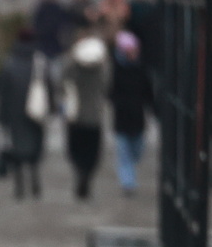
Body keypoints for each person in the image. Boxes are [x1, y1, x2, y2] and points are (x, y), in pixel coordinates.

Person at [0, 28, 50, 199]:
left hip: (14, 114)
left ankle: (19, 186)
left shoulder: (10, 64)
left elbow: (2, 93)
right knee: (34, 149)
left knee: (16, 149)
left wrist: (1, 117)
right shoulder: (40, 63)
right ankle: (35, 182)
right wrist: (50, 109)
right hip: (36, 113)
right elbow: (49, 88)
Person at [60, 32, 110, 199]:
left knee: (75, 151)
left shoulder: (72, 68)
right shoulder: (100, 69)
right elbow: (107, 85)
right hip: (94, 117)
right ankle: (86, 175)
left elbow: (62, 82)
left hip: (75, 116)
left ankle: (80, 172)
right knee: (92, 153)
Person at [108, 30, 155, 195]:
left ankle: (129, 178)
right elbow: (109, 92)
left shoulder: (142, 68)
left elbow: (149, 92)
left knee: (137, 151)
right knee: (124, 153)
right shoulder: (115, 69)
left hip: (137, 117)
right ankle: (128, 182)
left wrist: (153, 109)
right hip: (122, 117)